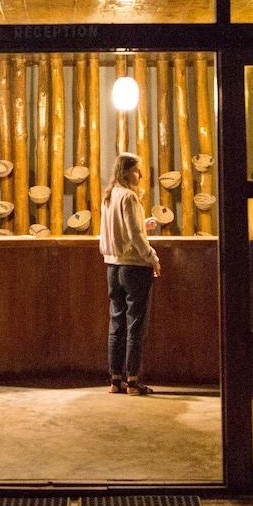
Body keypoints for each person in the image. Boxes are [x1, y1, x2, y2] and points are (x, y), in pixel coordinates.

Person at [99, 152, 160, 395]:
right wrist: (152, 258)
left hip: (113, 267)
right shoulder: (129, 196)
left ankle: (115, 380)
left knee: (116, 323)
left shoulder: (109, 196)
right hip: (134, 266)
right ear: (125, 172)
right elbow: (135, 236)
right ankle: (133, 381)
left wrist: (143, 225)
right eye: (136, 170)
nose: (140, 175)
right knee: (136, 324)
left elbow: (118, 229)